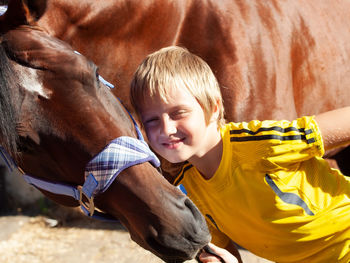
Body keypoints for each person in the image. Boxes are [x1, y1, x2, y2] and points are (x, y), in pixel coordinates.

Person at [130, 46, 350, 263]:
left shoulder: (259, 145)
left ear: (214, 108)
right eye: (152, 120)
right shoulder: (188, 190)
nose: (166, 129)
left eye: (178, 113)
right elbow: (225, 252)